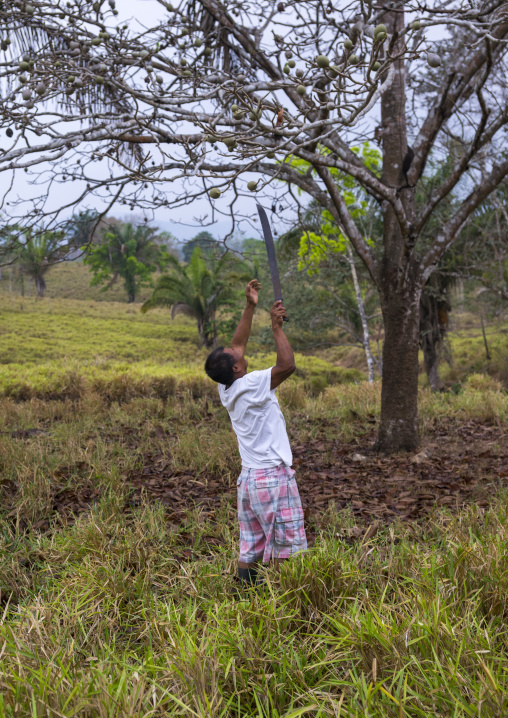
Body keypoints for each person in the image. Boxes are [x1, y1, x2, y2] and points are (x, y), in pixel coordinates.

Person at [204, 279, 307, 587]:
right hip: (272, 479)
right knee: (286, 549)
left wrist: (250, 305)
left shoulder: (226, 387)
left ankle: (244, 599)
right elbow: (287, 366)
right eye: (235, 355)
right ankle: (284, 605)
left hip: (248, 480)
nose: (238, 350)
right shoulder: (250, 385)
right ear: (236, 369)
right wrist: (276, 327)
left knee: (251, 545)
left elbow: (237, 345)